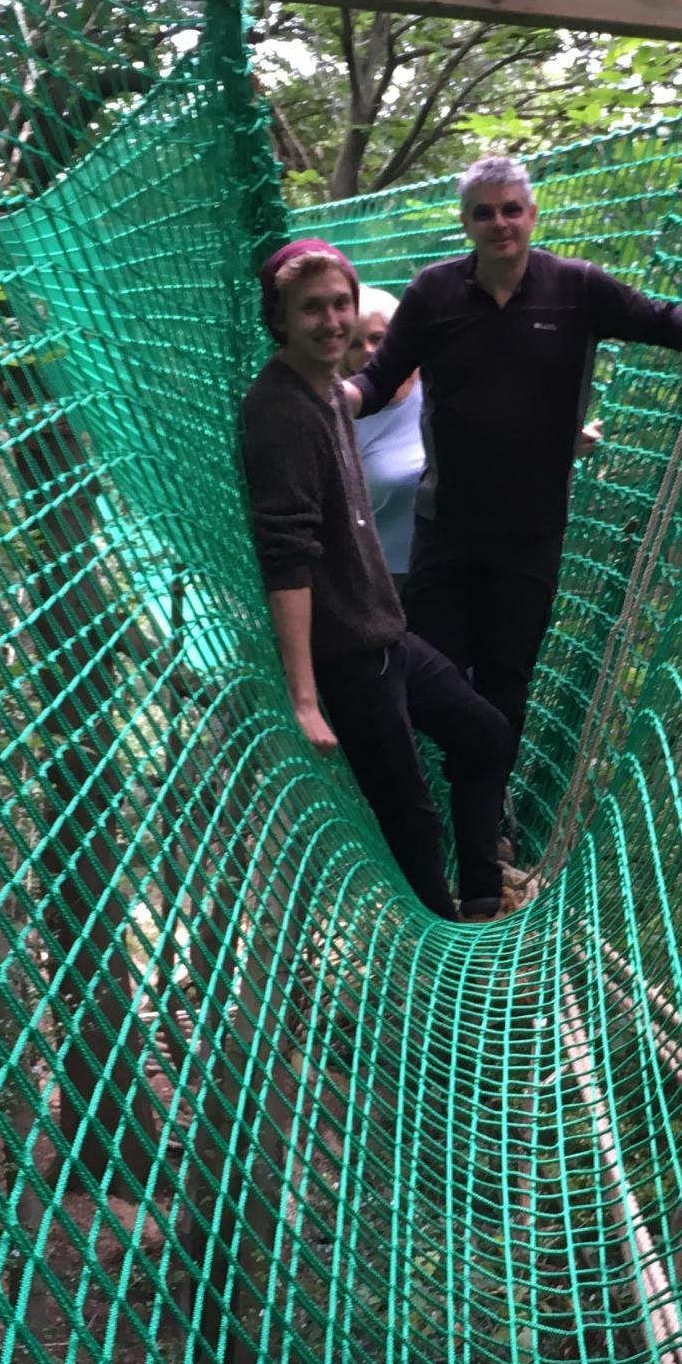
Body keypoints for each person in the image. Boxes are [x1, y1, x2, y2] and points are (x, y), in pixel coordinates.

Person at [347, 154, 682, 755]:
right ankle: (440, 790)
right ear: (465, 223)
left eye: (510, 209)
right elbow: (380, 377)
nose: (499, 223)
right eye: (484, 213)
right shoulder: (433, 292)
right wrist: (336, 398)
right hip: (446, 526)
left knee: (507, 683)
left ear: (531, 214)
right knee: (434, 678)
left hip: (531, 532)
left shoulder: (575, 286)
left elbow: (658, 319)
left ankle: (484, 823)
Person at [238, 237, 511, 920]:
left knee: (483, 733)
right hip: (347, 660)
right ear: (278, 318)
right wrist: (304, 699)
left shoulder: (329, 389)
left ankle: (483, 892)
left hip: (388, 637)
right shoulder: (276, 411)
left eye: (340, 305)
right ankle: (445, 967)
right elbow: (286, 556)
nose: (332, 322)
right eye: (312, 310)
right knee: (411, 822)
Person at [348, 285, 424, 598]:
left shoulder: (440, 383)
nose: (368, 350)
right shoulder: (342, 410)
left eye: (377, 338)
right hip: (382, 580)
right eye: (354, 344)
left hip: (458, 560)